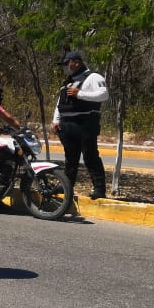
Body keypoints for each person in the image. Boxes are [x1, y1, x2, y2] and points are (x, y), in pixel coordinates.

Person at [52, 50, 110, 199]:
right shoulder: (68, 80)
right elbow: (61, 102)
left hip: (85, 125)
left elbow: (104, 94)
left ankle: (99, 190)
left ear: (76, 62)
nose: (65, 67)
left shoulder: (93, 77)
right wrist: (56, 120)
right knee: (70, 159)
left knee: (90, 157)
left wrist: (80, 94)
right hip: (67, 125)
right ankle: (66, 187)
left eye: (67, 64)